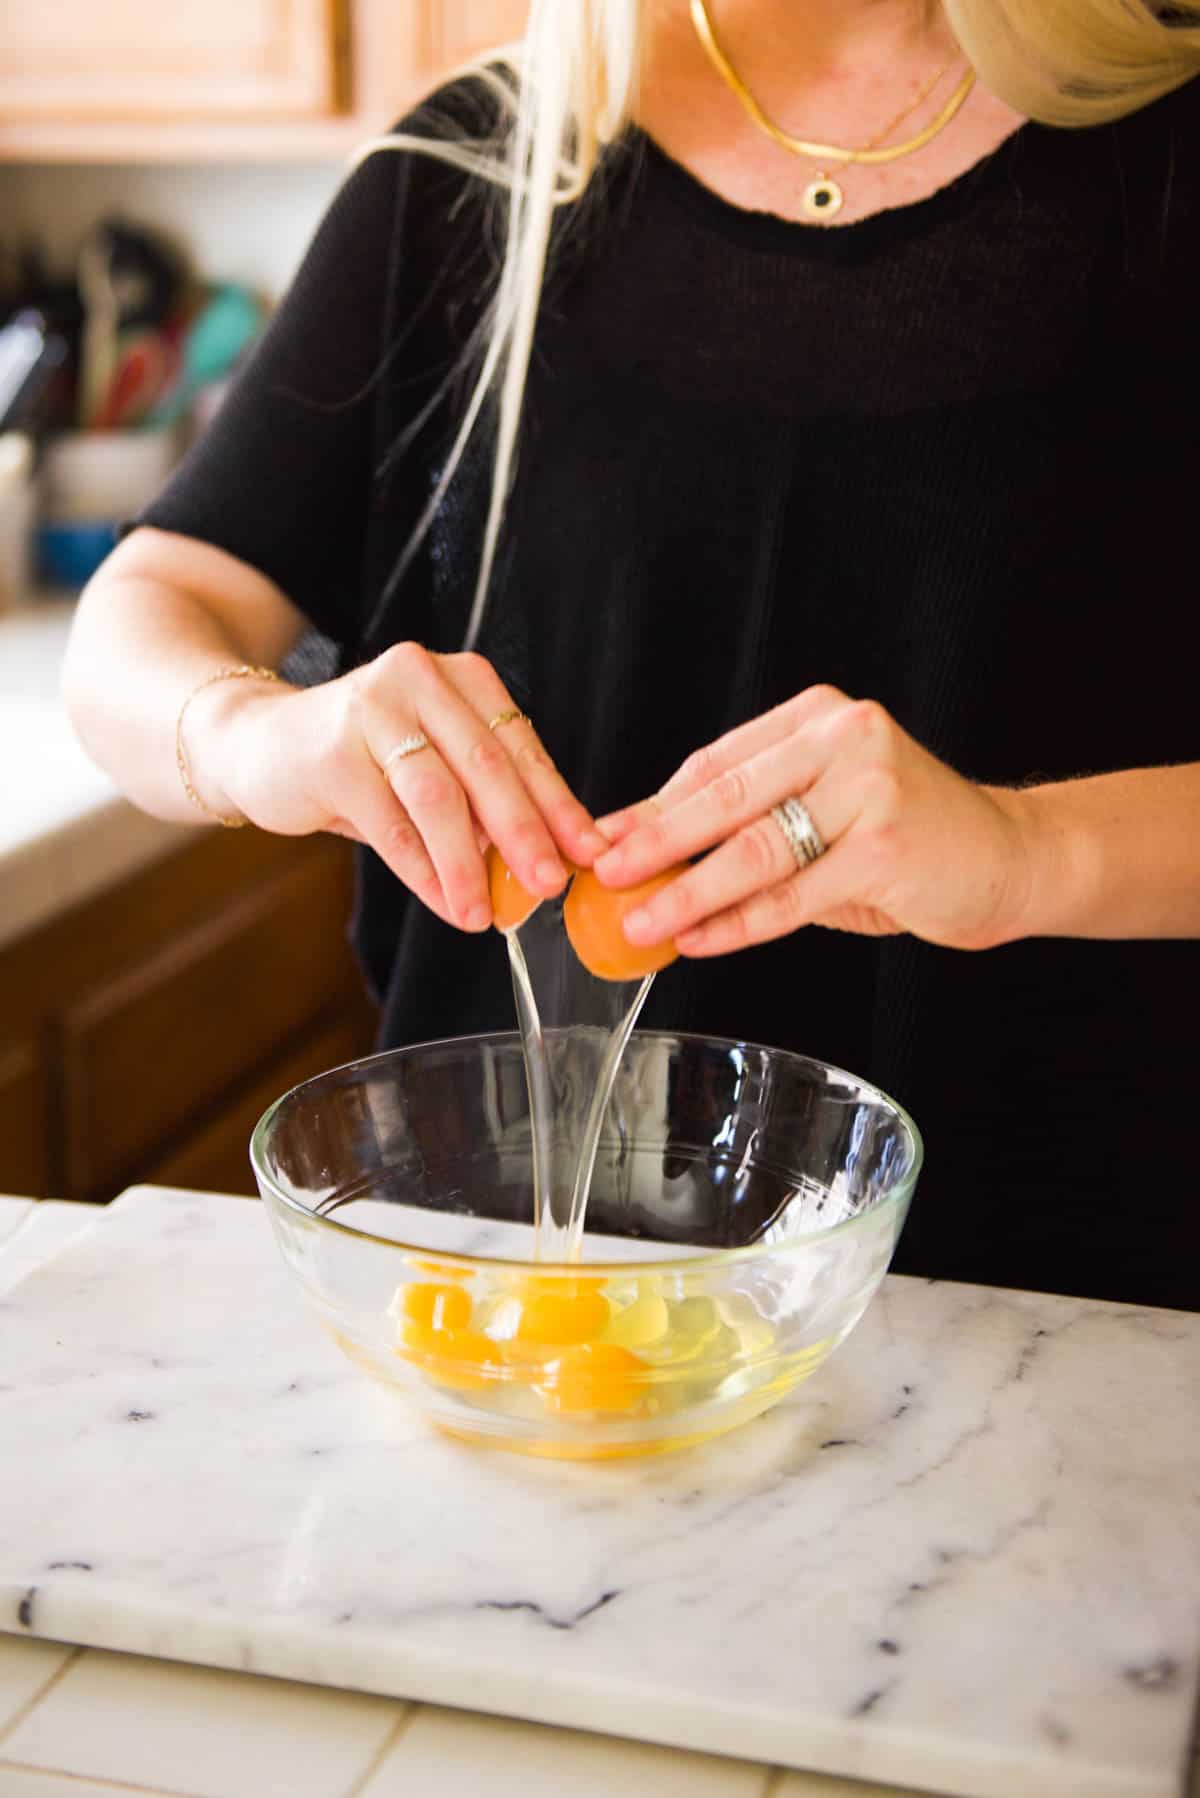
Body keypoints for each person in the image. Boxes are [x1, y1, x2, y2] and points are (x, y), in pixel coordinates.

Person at [64, 1, 1200, 1311]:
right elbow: (144, 612)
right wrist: (262, 736)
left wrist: (1020, 849)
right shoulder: (471, 175)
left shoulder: (1159, 155)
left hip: (1058, 1332)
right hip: (504, 1316)